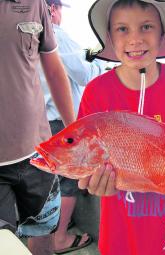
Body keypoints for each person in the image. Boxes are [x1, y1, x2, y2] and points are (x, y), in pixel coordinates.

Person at [77, 0, 165, 254]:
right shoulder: (96, 92)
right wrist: (91, 182)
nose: (135, 39)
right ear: (109, 37)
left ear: (162, 34)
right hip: (120, 241)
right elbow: (86, 161)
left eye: (146, 27)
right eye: (122, 29)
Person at [0, 0, 75, 254]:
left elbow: (54, 71)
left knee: (43, 238)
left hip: (39, 155)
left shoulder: (35, 4)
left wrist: (74, 133)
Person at [40, 0, 105, 253]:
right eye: (59, 10)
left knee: (44, 181)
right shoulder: (56, 34)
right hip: (61, 125)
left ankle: (43, 235)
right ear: (53, 10)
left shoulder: (26, 38)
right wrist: (99, 61)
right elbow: (85, 75)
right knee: (68, 183)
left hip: (39, 122)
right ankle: (60, 238)